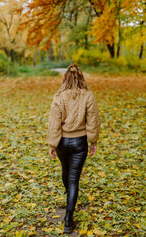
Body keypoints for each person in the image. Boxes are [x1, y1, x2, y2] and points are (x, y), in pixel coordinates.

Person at [47, 64, 100, 234]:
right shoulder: (88, 96)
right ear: (81, 78)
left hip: (63, 142)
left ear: (65, 79)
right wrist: (93, 142)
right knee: (73, 178)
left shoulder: (59, 97)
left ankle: (69, 202)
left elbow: (54, 123)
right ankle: (69, 220)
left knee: (66, 171)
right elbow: (93, 121)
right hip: (79, 143)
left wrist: (52, 144)